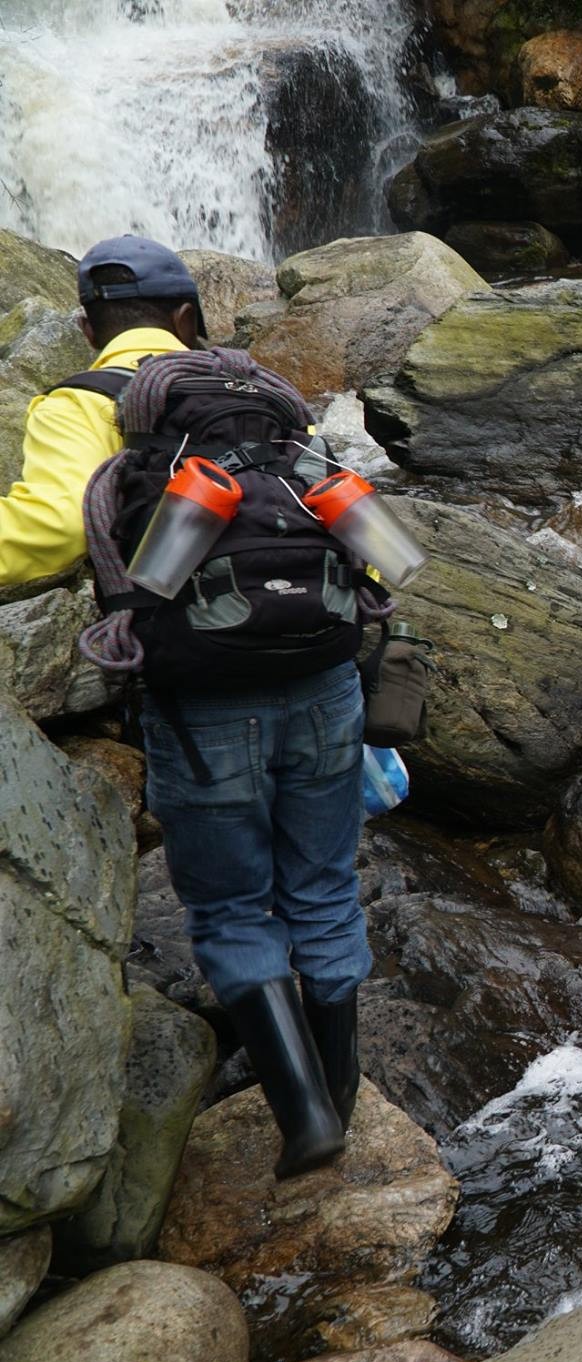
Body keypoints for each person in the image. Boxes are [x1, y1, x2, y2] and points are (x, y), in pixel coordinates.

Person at [2, 236, 368, 1178]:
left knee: (234, 907)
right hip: (323, 671)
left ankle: (307, 1119)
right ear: (189, 318)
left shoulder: (83, 402)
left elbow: (46, 532)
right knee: (323, 888)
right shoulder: (261, 391)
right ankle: (342, 1086)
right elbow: (365, 535)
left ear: (86, 327)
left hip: (201, 693)